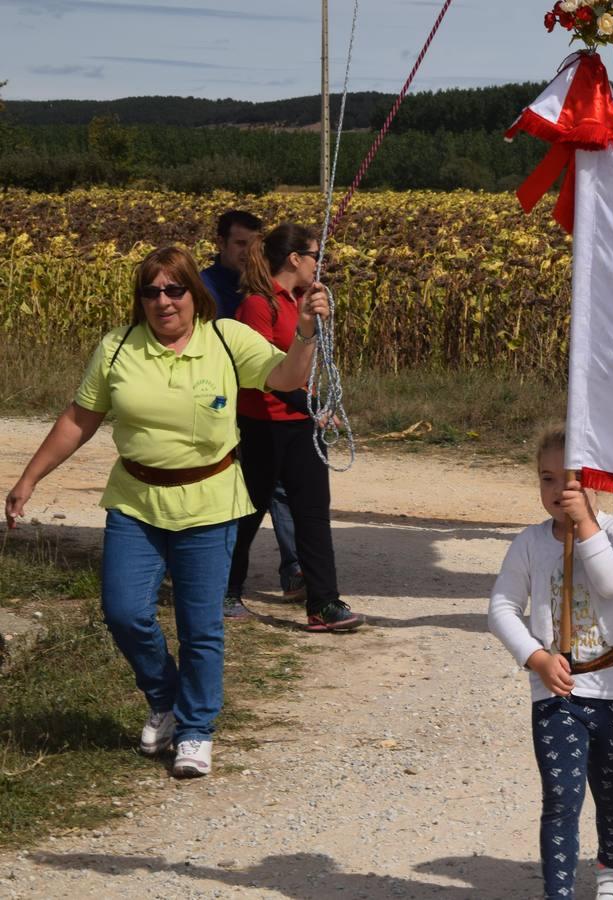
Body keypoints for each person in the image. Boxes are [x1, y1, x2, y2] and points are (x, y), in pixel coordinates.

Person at [4, 245, 329, 779]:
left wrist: (309, 331)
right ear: (141, 300)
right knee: (124, 612)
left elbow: (287, 378)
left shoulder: (225, 338)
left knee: (200, 627)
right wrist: (29, 478)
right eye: (151, 291)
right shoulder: (116, 348)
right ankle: (166, 699)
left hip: (209, 501)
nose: (163, 301)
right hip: (136, 500)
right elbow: (80, 417)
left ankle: (197, 730)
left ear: (193, 294)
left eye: (174, 289)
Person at [487, 425, 613, 900]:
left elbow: (609, 581)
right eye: (547, 479)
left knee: (611, 789)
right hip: (557, 689)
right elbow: (501, 608)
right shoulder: (529, 544)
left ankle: (611, 872)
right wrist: (536, 657)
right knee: (561, 798)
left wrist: (584, 526)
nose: (559, 491)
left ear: (596, 482)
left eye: (571, 479)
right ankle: (557, 892)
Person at [225, 223, 362, 633]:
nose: (321, 264)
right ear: (295, 259)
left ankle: (323, 603)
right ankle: (224, 591)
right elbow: (263, 374)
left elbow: (310, 365)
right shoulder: (257, 306)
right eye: (316, 255)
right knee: (246, 512)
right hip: (262, 423)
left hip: (302, 423)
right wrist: (310, 403)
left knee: (313, 515)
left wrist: (318, 403)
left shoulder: (303, 301)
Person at [200, 210, 306, 616]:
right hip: (230, 401)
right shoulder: (208, 289)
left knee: (280, 490)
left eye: (255, 245)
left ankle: (293, 570)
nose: (248, 252)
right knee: (248, 496)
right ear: (222, 244)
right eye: (240, 244)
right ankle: (225, 582)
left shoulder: (272, 294)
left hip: (270, 399)